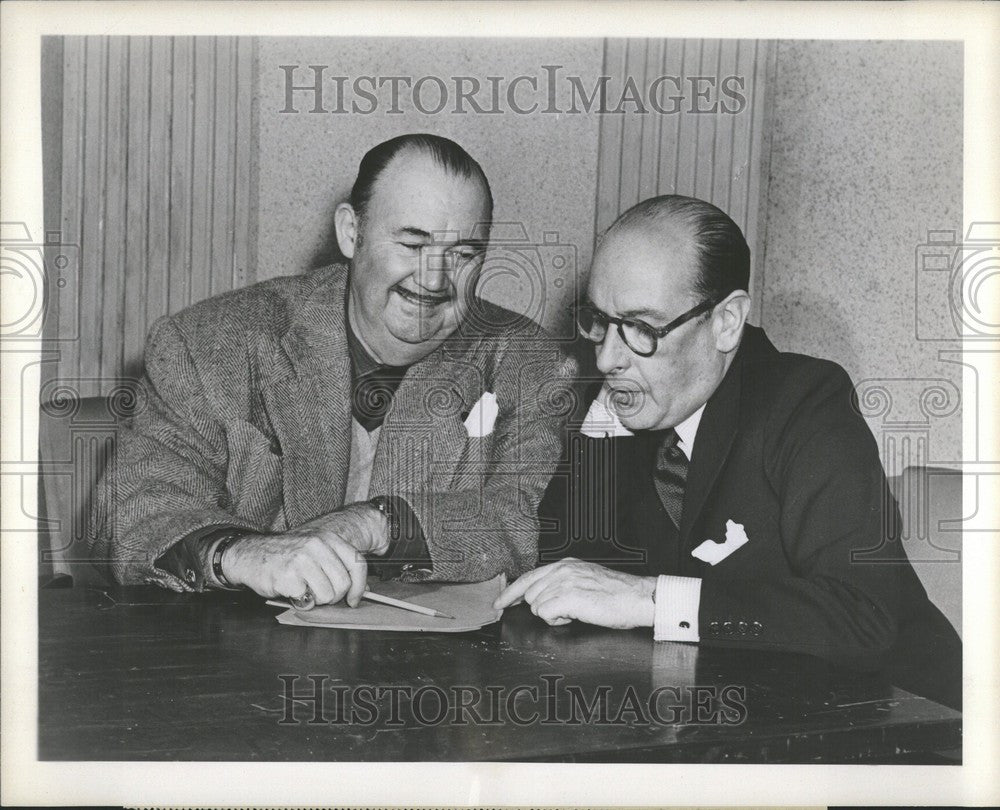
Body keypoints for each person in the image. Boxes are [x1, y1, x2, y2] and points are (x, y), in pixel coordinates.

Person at [494, 194, 962, 710]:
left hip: (910, 727)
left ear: (726, 322)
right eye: (599, 321)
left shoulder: (806, 403)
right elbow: (575, 578)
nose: (606, 357)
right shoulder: (621, 406)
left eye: (643, 329)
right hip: (741, 719)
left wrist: (651, 598)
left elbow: (863, 616)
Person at [91, 133, 575, 609]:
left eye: (465, 254)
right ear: (351, 233)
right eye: (411, 244)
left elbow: (519, 522)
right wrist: (242, 554)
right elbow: (134, 514)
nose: (435, 279)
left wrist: (376, 524)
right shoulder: (208, 343)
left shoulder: (524, 361)